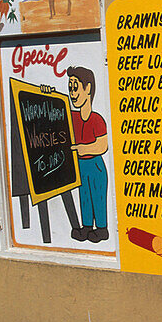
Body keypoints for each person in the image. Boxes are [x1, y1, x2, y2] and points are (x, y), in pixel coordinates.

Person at [67, 65, 110, 243]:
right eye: (70, 88)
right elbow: (54, 110)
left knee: (97, 196)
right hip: (81, 165)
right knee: (84, 195)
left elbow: (102, 144)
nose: (72, 92)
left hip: (95, 165)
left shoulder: (96, 119)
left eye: (75, 87)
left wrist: (82, 149)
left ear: (88, 89)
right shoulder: (73, 117)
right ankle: (86, 227)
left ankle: (101, 229)